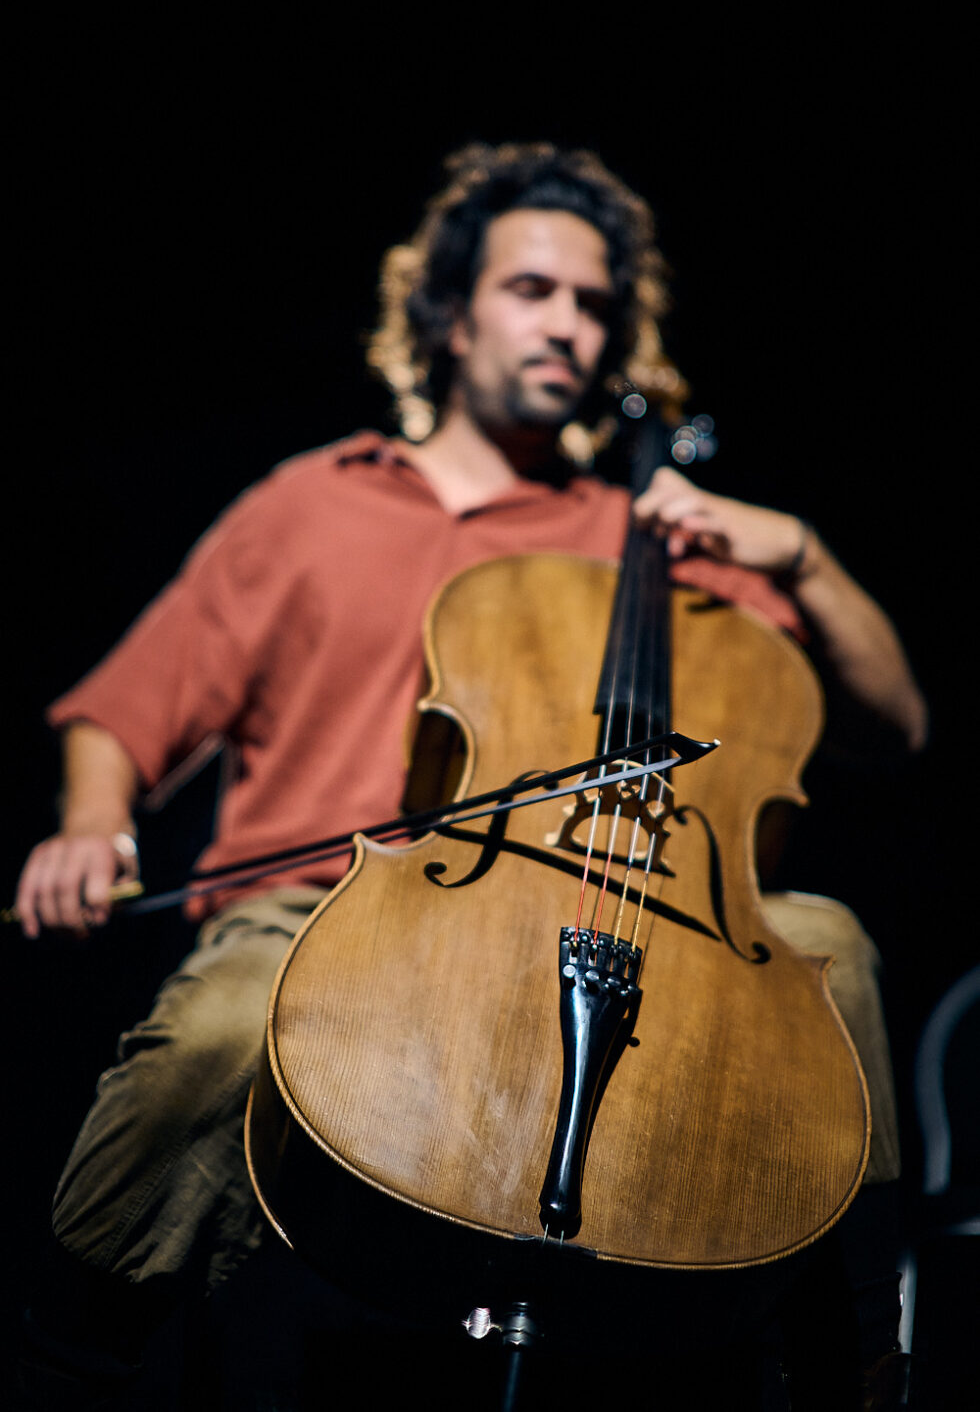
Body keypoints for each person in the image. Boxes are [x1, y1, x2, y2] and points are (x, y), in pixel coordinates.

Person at [13, 142, 926, 1409]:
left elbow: (889, 724)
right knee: (216, 1034)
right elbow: (125, 706)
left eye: (594, 303)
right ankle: (64, 1364)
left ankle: (854, 1371)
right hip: (320, 908)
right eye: (532, 291)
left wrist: (803, 557)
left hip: (579, 918)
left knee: (832, 945)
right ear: (446, 313)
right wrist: (93, 822)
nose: (569, 325)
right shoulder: (310, 504)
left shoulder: (640, 548)